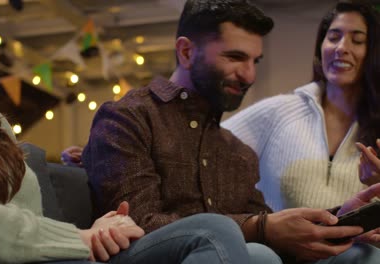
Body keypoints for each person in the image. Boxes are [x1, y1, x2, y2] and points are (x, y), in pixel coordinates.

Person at [0, 0, 265, 263]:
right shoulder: (130, 116)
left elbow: (26, 216)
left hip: (55, 252)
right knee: (217, 232)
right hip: (57, 252)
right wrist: (80, 236)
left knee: (263, 255)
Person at [81, 0, 380, 263]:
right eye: (235, 57)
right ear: (186, 52)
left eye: (255, 61)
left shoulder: (237, 151)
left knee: (361, 254)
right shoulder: (129, 118)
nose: (249, 75)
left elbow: (270, 226)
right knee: (251, 250)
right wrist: (257, 228)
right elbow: (136, 224)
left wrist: (338, 219)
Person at [221, 0, 380, 211]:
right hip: (276, 245)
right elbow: (208, 148)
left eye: (357, 40)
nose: (342, 47)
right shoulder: (278, 112)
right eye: (333, 37)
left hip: (364, 245)